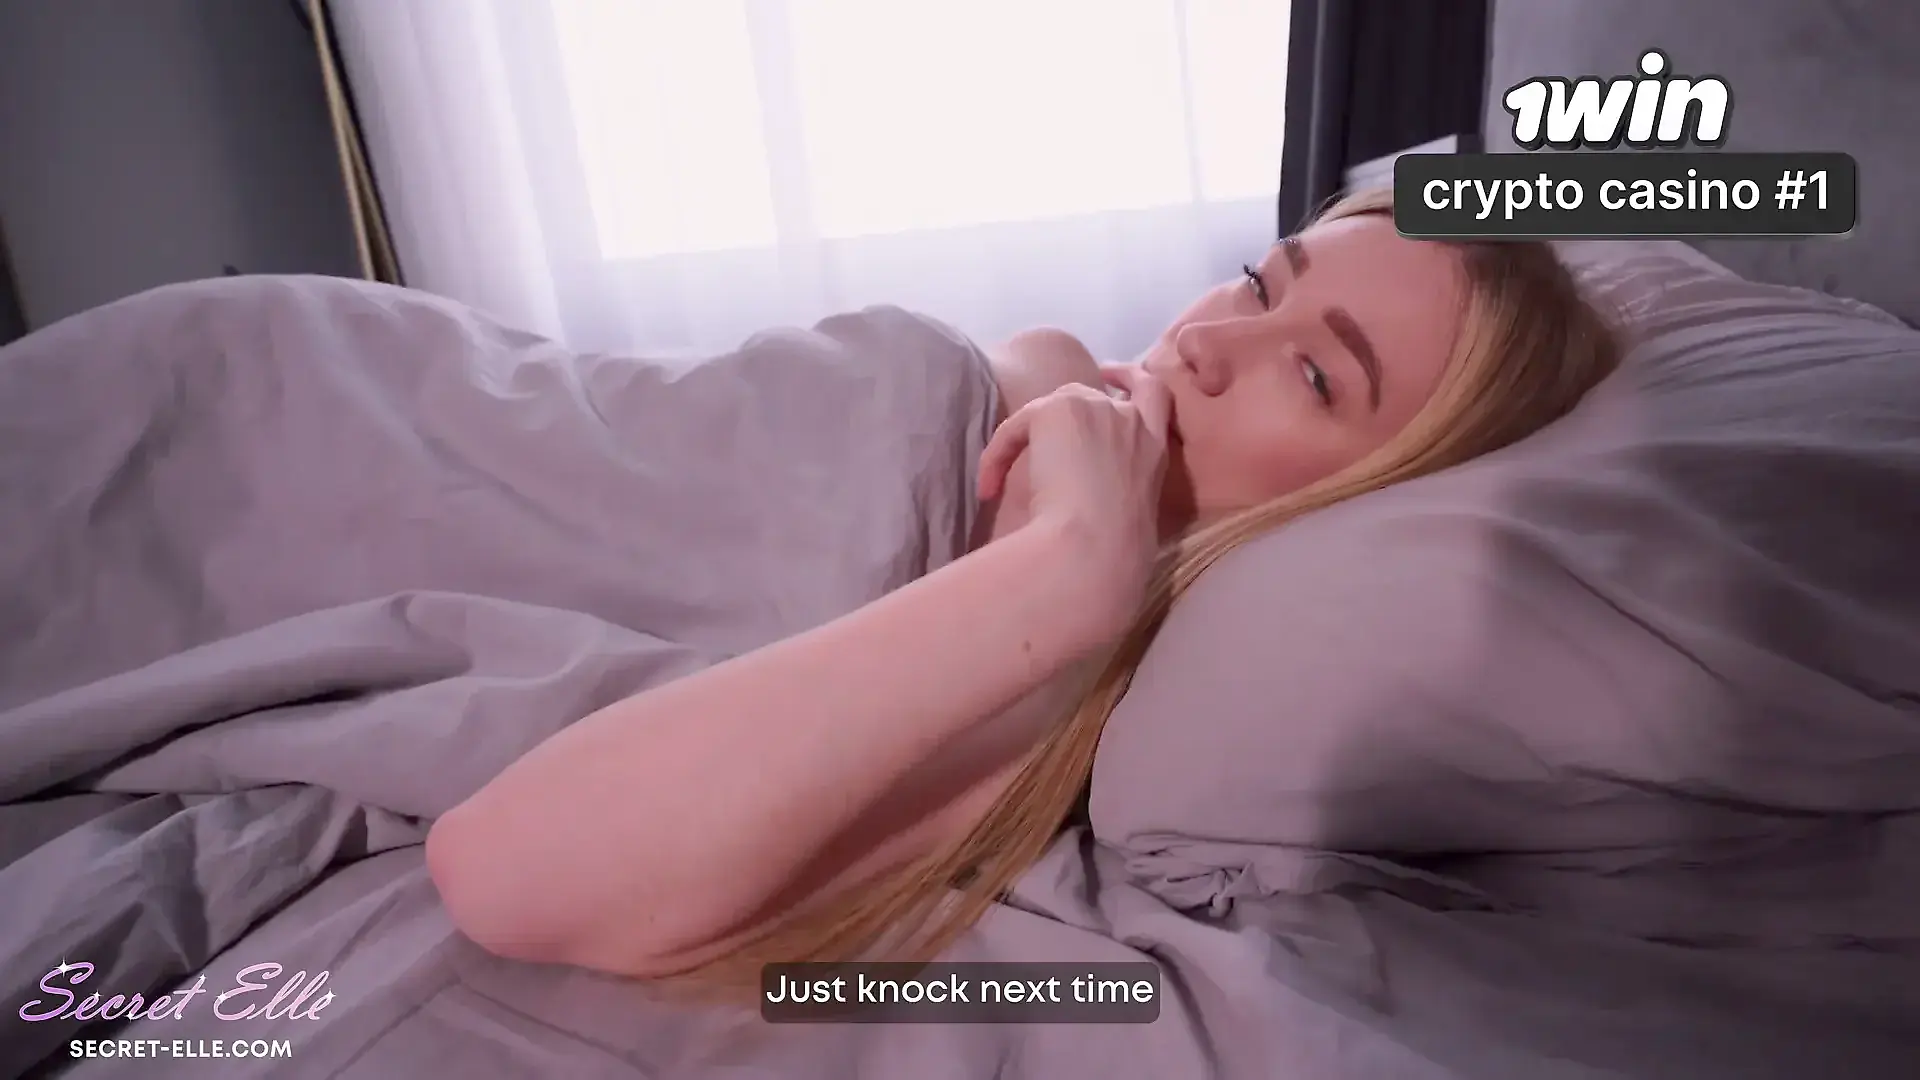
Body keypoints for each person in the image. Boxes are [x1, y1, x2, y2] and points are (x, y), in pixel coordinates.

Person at [422, 186, 1622, 999]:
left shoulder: (1105, 680)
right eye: (1258, 286)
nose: (1207, 344)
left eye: (1312, 374)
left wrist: (1070, 565)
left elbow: (507, 871)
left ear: (1381, 497)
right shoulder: (1035, 383)